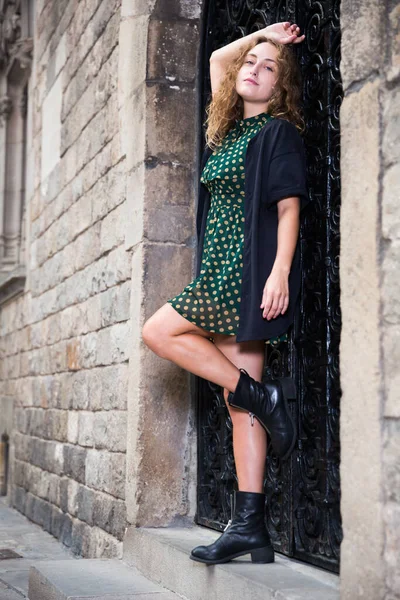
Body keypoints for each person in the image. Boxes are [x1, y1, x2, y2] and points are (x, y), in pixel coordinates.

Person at [142, 22, 309, 565]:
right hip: (216, 269)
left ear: (280, 86)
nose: (254, 71)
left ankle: (247, 523)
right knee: (241, 401)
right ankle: (251, 525)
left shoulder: (276, 133)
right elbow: (217, 56)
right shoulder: (229, 133)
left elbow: (289, 207)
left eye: (269, 69)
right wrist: (266, 36)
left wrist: (279, 272)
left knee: (159, 331)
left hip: (245, 272)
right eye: (251, 64)